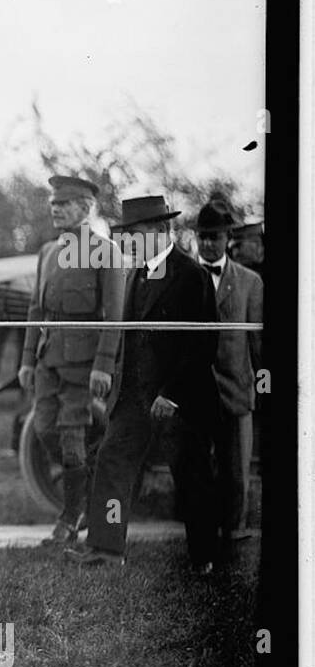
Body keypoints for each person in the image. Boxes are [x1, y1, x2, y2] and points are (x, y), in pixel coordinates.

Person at [66, 196, 220, 573]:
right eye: (124, 236)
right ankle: (106, 549)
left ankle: (205, 560)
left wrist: (172, 394)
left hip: (178, 400)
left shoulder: (190, 275)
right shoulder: (134, 274)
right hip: (134, 398)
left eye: (133, 235)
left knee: (191, 477)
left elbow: (203, 345)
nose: (126, 243)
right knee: (112, 462)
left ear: (160, 231)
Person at [17, 175, 127, 545]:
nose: (55, 208)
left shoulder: (105, 250)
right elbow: (36, 308)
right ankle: (84, 488)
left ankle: (70, 516)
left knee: (70, 432)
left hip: (84, 363)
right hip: (49, 360)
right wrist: (28, 359)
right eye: (53, 202)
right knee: (44, 428)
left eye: (64, 203)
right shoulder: (48, 253)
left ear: (85, 208)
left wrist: (103, 364)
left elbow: (115, 316)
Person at [195, 195, 263, 560]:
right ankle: (203, 537)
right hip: (197, 392)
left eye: (214, 237)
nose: (208, 244)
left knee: (236, 472)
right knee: (201, 471)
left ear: (227, 240)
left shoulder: (250, 282)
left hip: (237, 390)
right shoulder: (185, 277)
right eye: (202, 237)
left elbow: (259, 344)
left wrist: (263, 389)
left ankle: (234, 534)